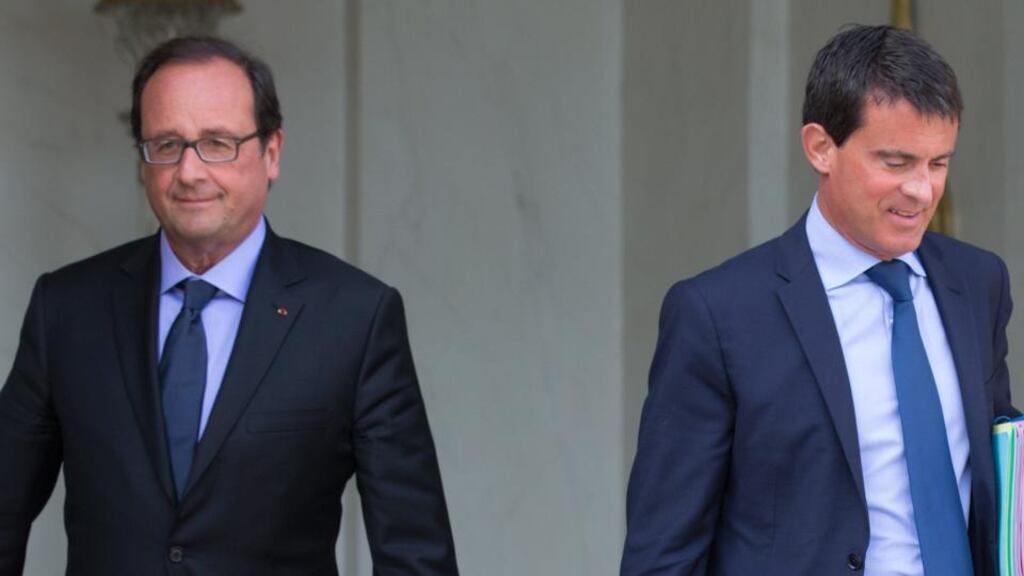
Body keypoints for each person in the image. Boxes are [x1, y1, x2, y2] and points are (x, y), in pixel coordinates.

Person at [0, 36, 457, 575]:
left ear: (272, 152)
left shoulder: (355, 317)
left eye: (217, 143)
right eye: (166, 144)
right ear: (143, 160)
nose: (190, 172)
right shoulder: (68, 308)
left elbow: (415, 554)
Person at [621, 24, 1013, 576]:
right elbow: (664, 554)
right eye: (897, 163)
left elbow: (1000, 481)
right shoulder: (717, 316)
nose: (922, 190)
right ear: (821, 148)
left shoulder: (978, 284)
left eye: (939, 163)